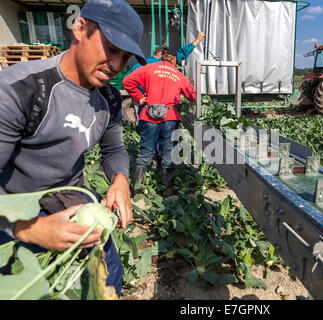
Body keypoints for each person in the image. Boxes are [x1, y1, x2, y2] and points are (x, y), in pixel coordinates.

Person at [0, 0, 145, 297]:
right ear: (79, 28)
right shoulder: (21, 90)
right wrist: (28, 229)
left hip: (72, 205)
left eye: (125, 57)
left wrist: (120, 179)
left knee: (107, 279)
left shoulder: (109, 98)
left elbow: (114, 146)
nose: (117, 66)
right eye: (111, 48)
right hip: (13, 215)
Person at [123, 47, 197, 197]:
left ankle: (138, 189)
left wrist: (139, 97)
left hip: (148, 116)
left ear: (161, 58)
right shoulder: (178, 74)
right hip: (169, 118)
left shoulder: (148, 68)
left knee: (145, 153)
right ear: (174, 61)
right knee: (169, 153)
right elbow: (192, 94)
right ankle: (167, 190)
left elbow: (127, 80)